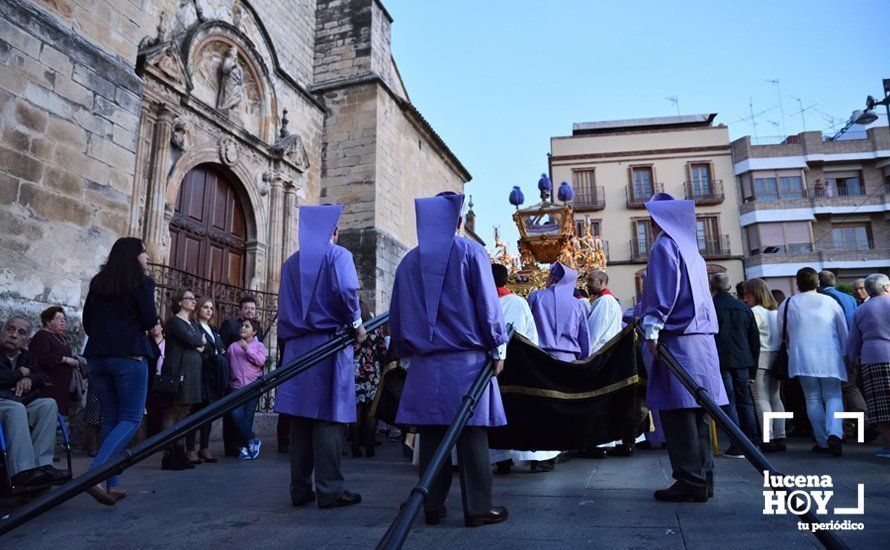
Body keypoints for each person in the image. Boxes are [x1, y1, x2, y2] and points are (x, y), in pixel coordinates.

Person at [390, 192, 509, 527]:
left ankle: (431, 503)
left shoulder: (409, 262)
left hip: (427, 364)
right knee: (472, 435)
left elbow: (397, 316)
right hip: (467, 361)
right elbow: (487, 305)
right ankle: (478, 507)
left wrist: (404, 352)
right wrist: (497, 345)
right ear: (458, 223)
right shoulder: (471, 251)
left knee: (431, 436)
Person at [639, 193, 728, 503]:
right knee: (700, 413)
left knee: (678, 414)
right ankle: (705, 477)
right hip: (703, 343)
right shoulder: (693, 250)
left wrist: (651, 327)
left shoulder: (664, 246)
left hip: (678, 341)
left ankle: (689, 479)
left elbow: (664, 294)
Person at [275, 204, 365, 509]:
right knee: (328, 418)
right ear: (334, 231)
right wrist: (356, 324)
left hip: (297, 348)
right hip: (328, 343)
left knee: (300, 420)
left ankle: (299, 489)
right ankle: (330, 489)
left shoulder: (290, 264)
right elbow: (346, 291)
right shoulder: (339, 255)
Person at [81, 237, 157, 505]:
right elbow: (149, 319)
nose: (147, 257)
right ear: (133, 256)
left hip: (98, 357)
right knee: (131, 418)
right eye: (143, 253)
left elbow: (87, 320)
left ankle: (112, 484)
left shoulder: (98, 282)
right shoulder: (142, 283)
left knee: (111, 420)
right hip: (128, 357)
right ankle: (94, 475)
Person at [489, 263, 557, 474]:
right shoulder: (519, 302)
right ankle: (536, 457)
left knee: (496, 409)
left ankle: (501, 458)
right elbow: (532, 334)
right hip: (520, 362)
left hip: (491, 365)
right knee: (526, 408)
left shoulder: (483, 302)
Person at [777, 267, 848, 456]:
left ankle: (823, 441)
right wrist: (847, 355)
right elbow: (843, 331)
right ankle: (835, 433)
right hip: (830, 354)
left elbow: (780, 333)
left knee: (812, 397)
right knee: (833, 395)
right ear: (817, 282)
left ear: (798, 283)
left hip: (802, 356)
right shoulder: (830, 302)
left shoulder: (788, 303)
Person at [0, 316, 69, 488]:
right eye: (10, 329)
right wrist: (19, 375)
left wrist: (29, 378)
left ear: (26, 340)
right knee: (16, 409)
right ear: (2, 331)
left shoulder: (26, 356)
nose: (14, 335)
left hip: (15, 401)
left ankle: (42, 466)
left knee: (48, 404)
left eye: (21, 332)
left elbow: (45, 379)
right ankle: (21, 471)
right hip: (6, 402)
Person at [710, 273, 760, 458]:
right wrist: (752, 368)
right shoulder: (744, 308)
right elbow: (754, 339)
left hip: (721, 361)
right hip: (743, 361)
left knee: (729, 402)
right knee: (745, 401)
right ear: (729, 287)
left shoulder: (711, 307)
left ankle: (737, 444)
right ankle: (752, 441)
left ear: (712, 287)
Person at [161, 289, 205, 470]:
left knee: (185, 412)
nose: (194, 302)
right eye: (190, 298)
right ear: (180, 302)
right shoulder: (173, 321)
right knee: (174, 410)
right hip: (178, 371)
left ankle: (179, 452)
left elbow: (202, 342)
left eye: (194, 299)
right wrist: (197, 342)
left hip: (192, 372)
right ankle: (168, 454)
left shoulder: (193, 323)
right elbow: (193, 340)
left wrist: (198, 342)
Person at [847, 273, 890, 458]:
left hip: (872, 358)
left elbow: (853, 340)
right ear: (886, 287)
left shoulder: (861, 310)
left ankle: (888, 446)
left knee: (880, 407)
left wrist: (851, 360)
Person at [743, 278, 785, 453]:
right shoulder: (776, 313)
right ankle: (780, 435)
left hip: (760, 357)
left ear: (754, 294)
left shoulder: (754, 312)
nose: (745, 298)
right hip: (777, 357)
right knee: (776, 398)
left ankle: (768, 437)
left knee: (761, 399)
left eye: (747, 293)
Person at [185, 296, 228, 465]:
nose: (209, 311)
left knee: (208, 413)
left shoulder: (213, 329)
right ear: (199, 309)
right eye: (205, 307)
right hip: (200, 375)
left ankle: (204, 447)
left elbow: (221, 348)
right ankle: (190, 449)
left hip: (213, 377)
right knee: (196, 412)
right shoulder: (195, 327)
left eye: (211, 308)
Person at [527, 262, 590, 362]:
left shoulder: (536, 297)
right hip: (569, 358)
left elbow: (526, 326)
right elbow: (584, 336)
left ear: (551, 278)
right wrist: (583, 359)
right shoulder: (577, 304)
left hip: (540, 356)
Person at [28, 306, 80, 422]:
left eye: (63, 319)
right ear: (48, 321)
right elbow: (40, 357)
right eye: (58, 318)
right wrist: (65, 359)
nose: (62, 321)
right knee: (49, 414)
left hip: (62, 386)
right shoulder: (42, 336)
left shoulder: (61, 337)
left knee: (62, 414)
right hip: (49, 384)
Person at [350, 301, 388, 458]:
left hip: (356, 371)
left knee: (356, 411)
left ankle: (355, 445)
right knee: (371, 411)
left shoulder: (352, 330)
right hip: (372, 372)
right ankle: (370, 445)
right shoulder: (375, 329)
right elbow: (383, 350)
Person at [228, 318, 267, 460]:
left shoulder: (259, 346)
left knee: (248, 417)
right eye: (242, 325)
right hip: (236, 386)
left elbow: (261, 361)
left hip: (252, 386)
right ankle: (252, 440)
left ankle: (244, 447)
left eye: (247, 326)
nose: (243, 328)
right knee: (236, 415)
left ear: (254, 331)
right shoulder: (233, 346)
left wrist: (247, 349)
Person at [586, 269, 622, 355]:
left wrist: (585, 354)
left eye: (590, 280)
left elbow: (594, 331)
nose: (587, 284)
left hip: (599, 352)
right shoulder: (610, 300)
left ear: (601, 282)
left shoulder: (604, 301)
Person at [145, 318, 166, 438]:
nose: (154, 327)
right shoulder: (147, 342)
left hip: (164, 381)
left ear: (162, 327)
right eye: (151, 325)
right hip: (150, 381)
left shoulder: (168, 343)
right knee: (151, 411)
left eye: (157, 324)